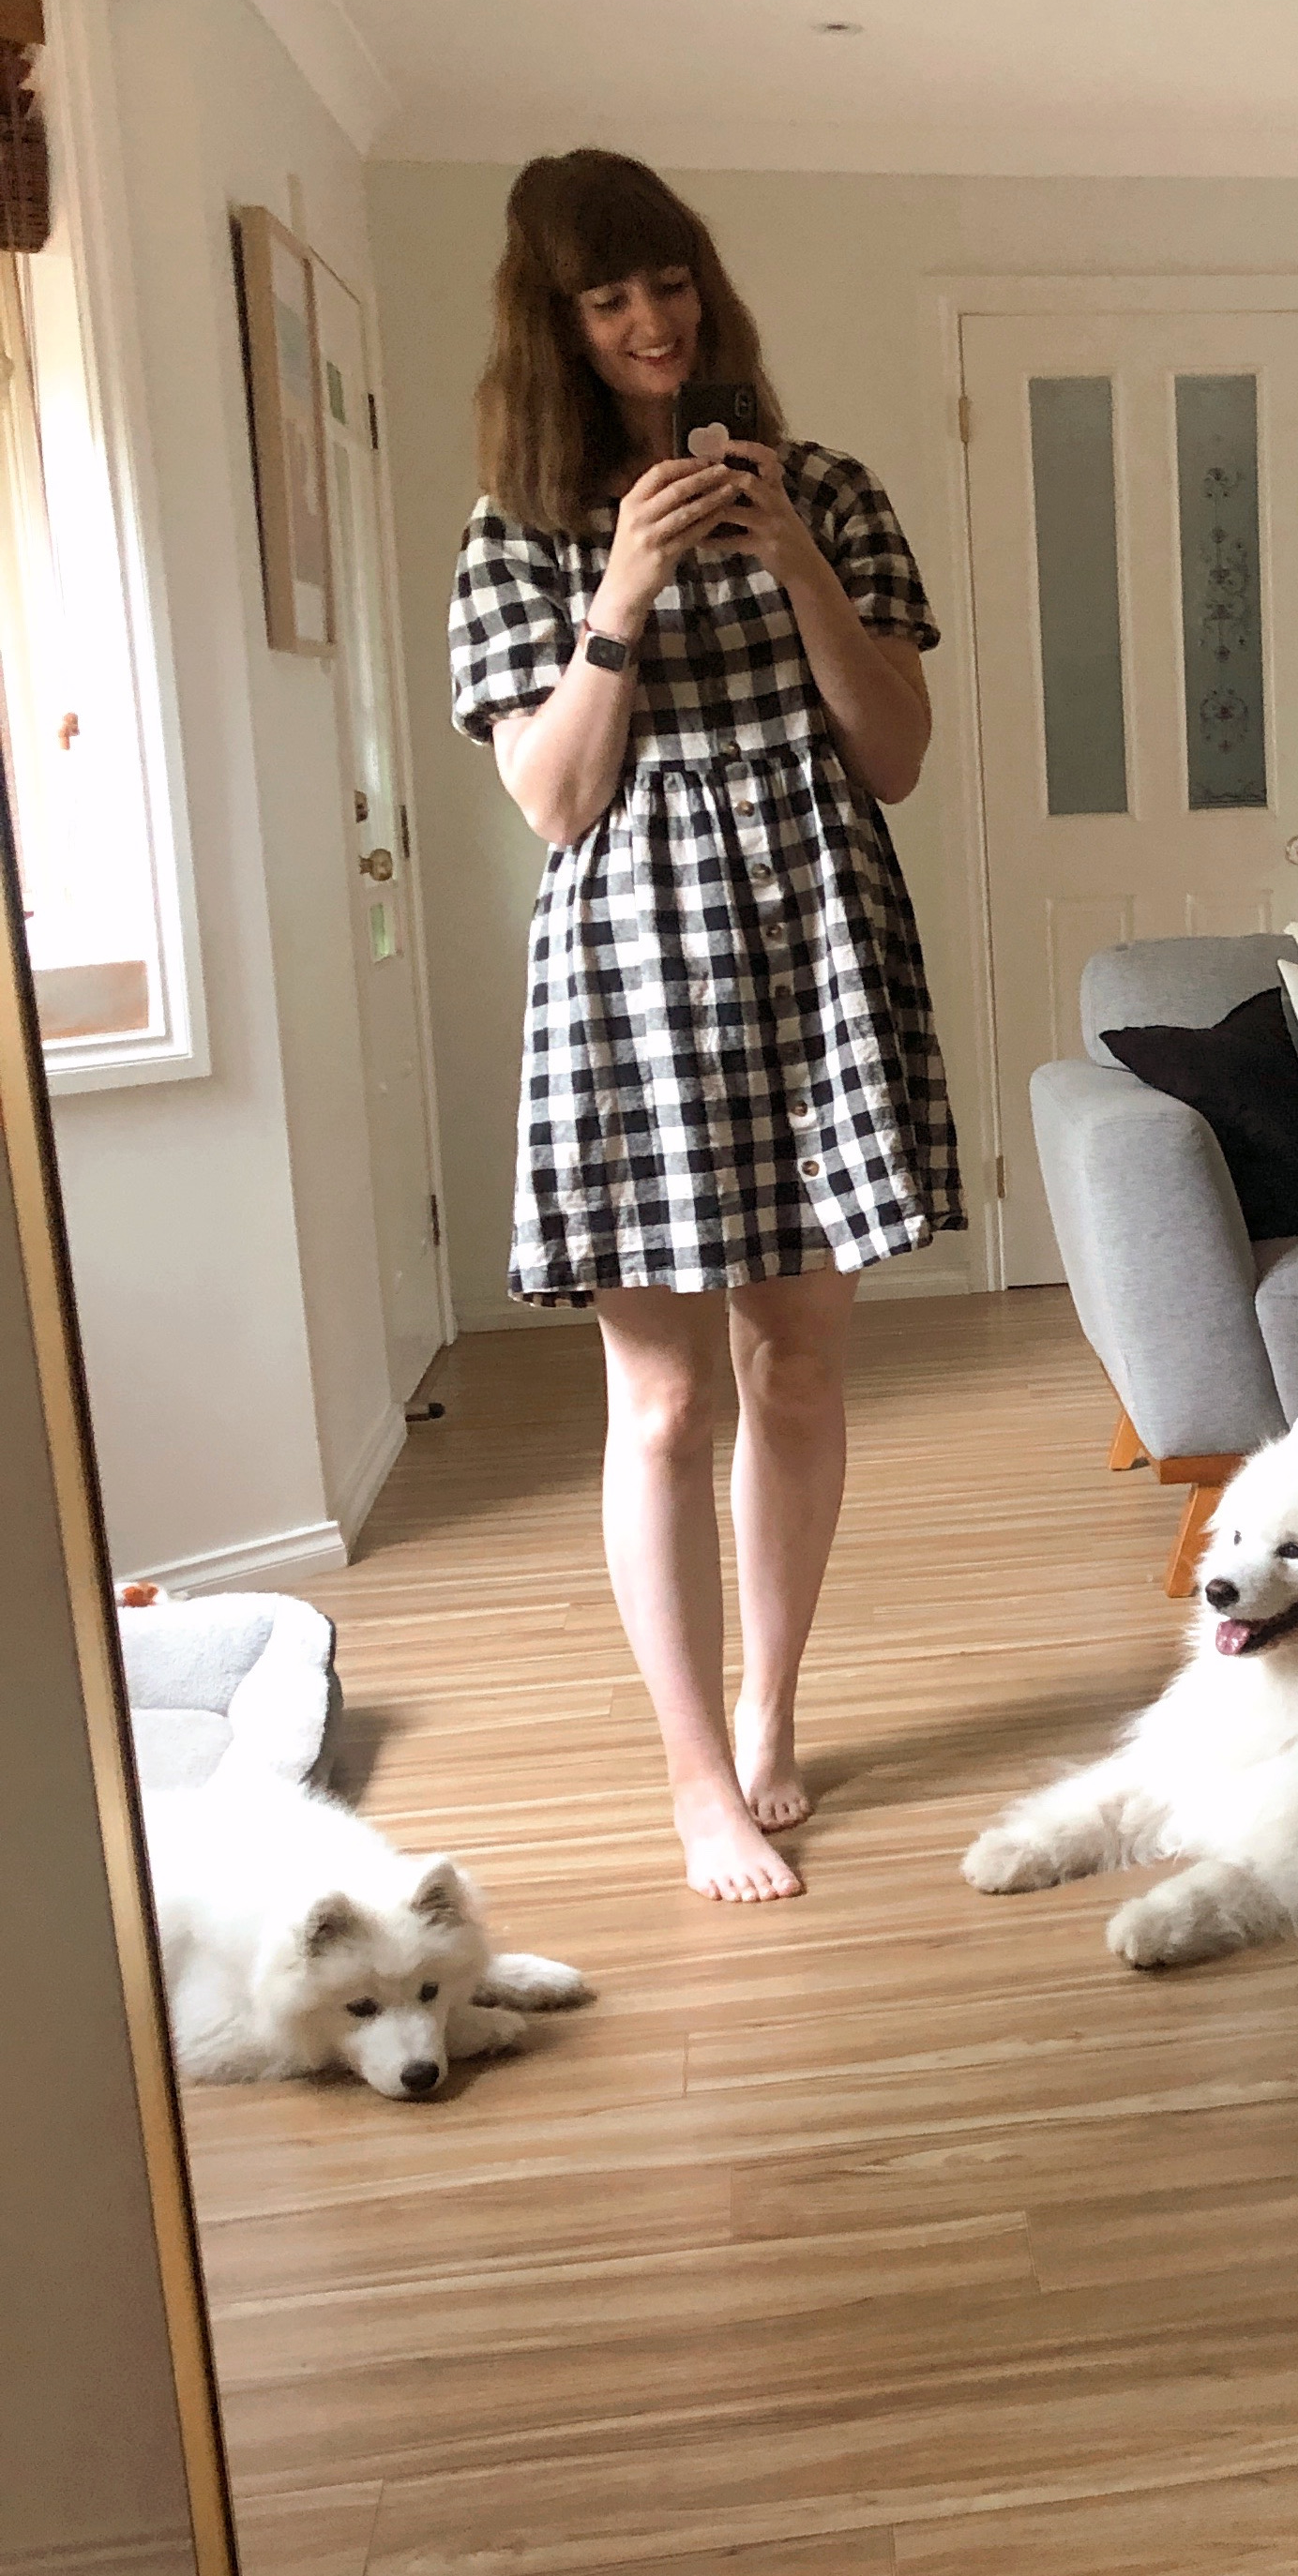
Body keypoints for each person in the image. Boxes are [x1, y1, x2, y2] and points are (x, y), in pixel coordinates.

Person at [448, 150, 960, 1904]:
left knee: (798, 1366)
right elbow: (553, 801)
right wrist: (622, 596)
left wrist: (799, 561)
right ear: (560, 328)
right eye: (611, 300)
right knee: (662, 1405)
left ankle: (769, 1706)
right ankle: (688, 1775)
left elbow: (890, 754)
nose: (653, 320)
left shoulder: (831, 491)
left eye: (670, 285)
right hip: (637, 975)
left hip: (819, 945)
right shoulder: (518, 535)